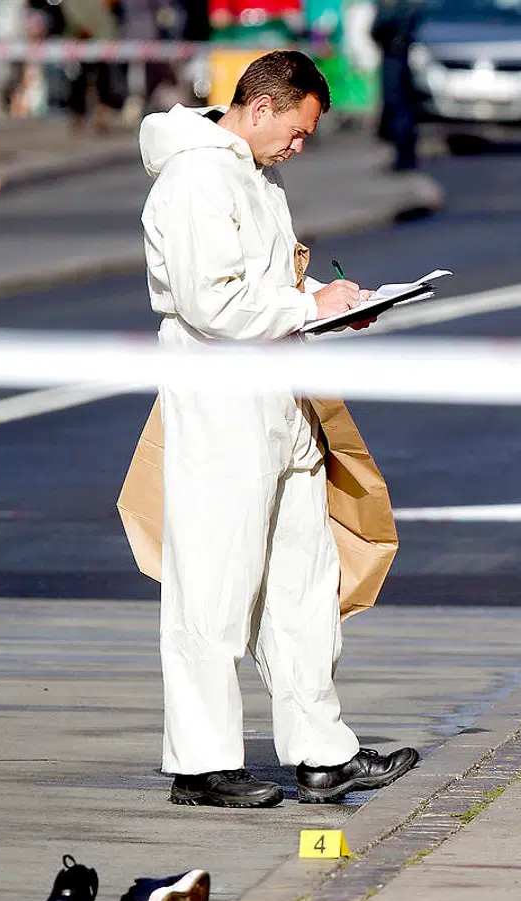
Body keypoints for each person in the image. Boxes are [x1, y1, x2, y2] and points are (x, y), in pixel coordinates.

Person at [139, 50, 419, 808]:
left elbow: (263, 287)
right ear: (259, 108)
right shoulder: (199, 177)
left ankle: (322, 752)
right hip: (224, 401)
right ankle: (201, 765)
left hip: (279, 397)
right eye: (295, 132)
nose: (298, 148)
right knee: (214, 586)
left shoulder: (254, 173)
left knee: (304, 585)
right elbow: (210, 305)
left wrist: (328, 298)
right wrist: (309, 311)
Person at [371, 0, 421, 172]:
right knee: (403, 107)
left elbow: (378, 27)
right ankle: (405, 155)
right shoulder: (410, 7)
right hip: (403, 54)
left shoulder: (394, 7)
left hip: (394, 56)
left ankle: (403, 157)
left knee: (397, 105)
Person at [60, 0, 123, 134]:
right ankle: (78, 116)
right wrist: (83, 27)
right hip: (79, 41)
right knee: (78, 81)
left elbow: (107, 15)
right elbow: (71, 12)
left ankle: (102, 118)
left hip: (102, 41)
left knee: (104, 81)